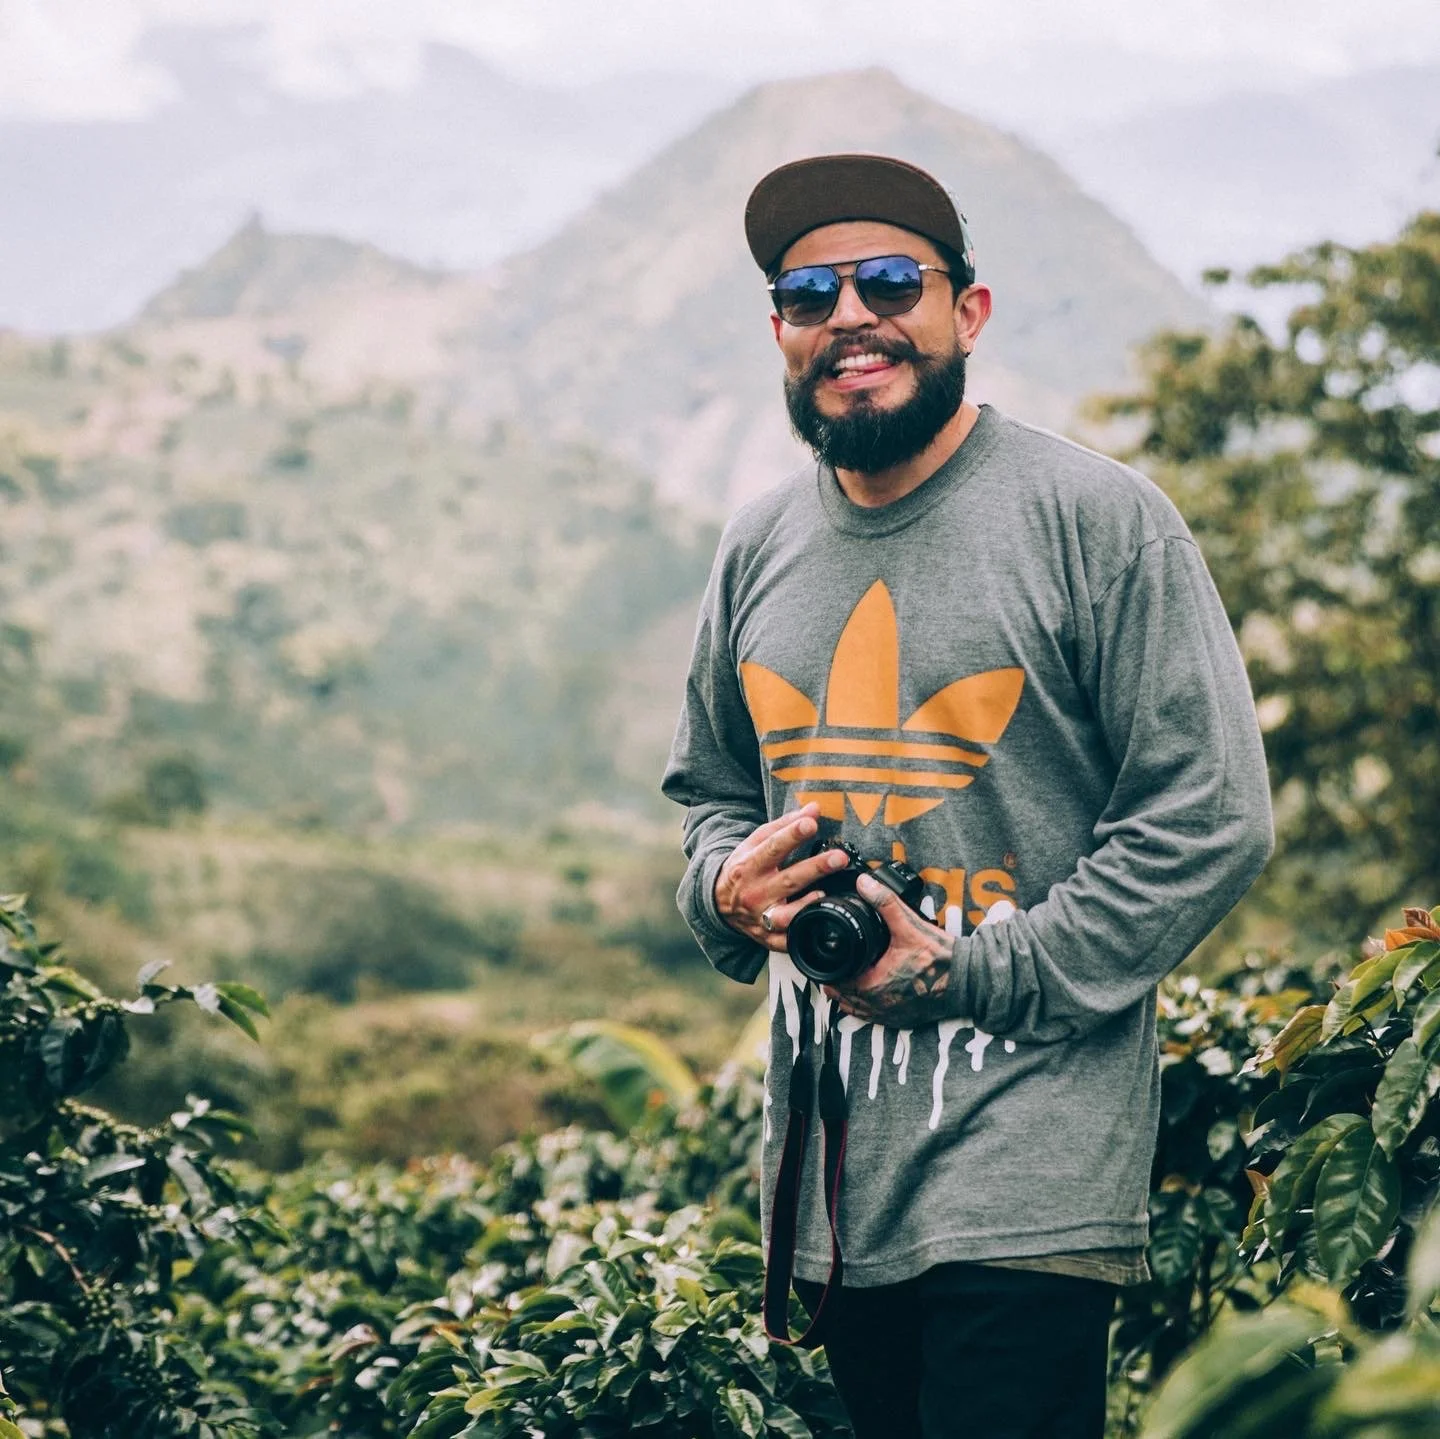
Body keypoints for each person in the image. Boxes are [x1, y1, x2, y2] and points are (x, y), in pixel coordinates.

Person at [661, 153, 1273, 1439]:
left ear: (967, 314)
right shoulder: (758, 544)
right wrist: (726, 885)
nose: (849, 317)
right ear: (779, 330)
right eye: (807, 293)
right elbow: (711, 789)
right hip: (831, 1193)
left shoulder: (1097, 520)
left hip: (1028, 1180)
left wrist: (971, 971)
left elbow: (1209, 814)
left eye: (890, 280)